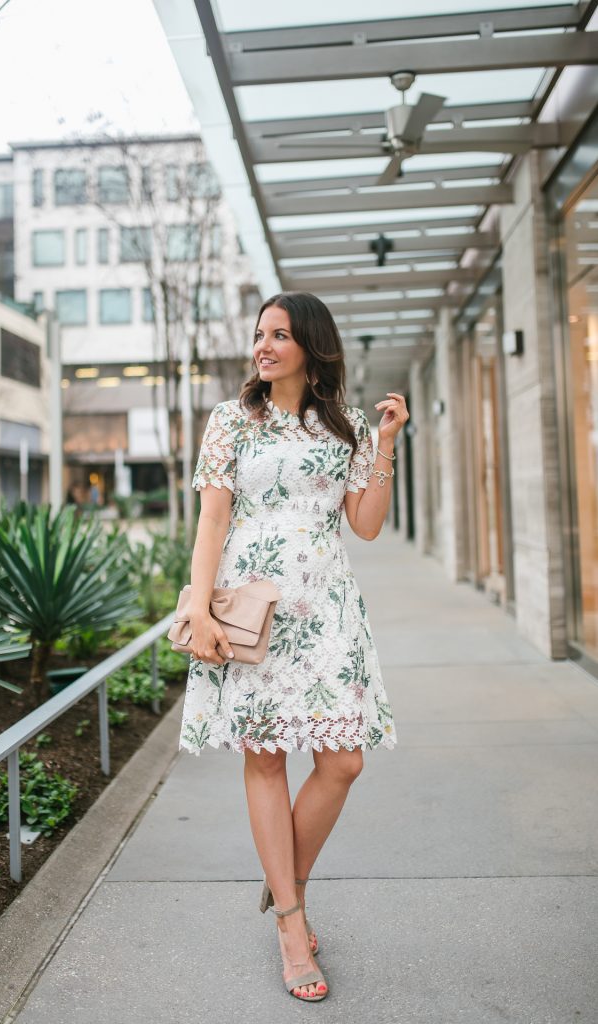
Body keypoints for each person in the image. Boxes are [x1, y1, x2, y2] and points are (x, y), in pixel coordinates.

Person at [180, 291, 409, 1002]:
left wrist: (388, 444)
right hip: (256, 607)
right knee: (266, 757)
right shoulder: (231, 421)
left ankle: (288, 879)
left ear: (311, 345)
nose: (265, 345)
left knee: (343, 761)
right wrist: (200, 603)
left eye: (280, 334)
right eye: (260, 334)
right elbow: (211, 522)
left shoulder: (341, 428)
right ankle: (290, 922)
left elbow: (366, 525)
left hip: (328, 609)